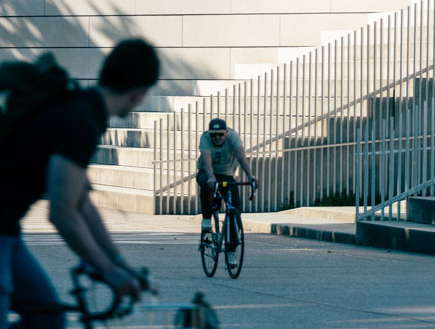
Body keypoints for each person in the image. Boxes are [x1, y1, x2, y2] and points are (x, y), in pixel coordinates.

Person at [0, 38, 159, 329]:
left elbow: (82, 203)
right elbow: (62, 212)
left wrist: (119, 263)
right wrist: (108, 271)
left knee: (47, 317)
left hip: (6, 231)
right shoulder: (81, 120)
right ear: (138, 94)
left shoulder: (79, 106)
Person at [196, 118, 257, 261]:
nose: (217, 137)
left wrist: (250, 176)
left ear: (226, 132)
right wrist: (211, 177)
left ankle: (231, 251)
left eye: (220, 134)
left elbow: (242, 158)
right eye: (214, 134)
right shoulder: (205, 138)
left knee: (235, 211)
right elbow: (206, 162)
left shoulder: (233, 138)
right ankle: (206, 221)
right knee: (206, 184)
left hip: (226, 174)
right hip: (208, 172)